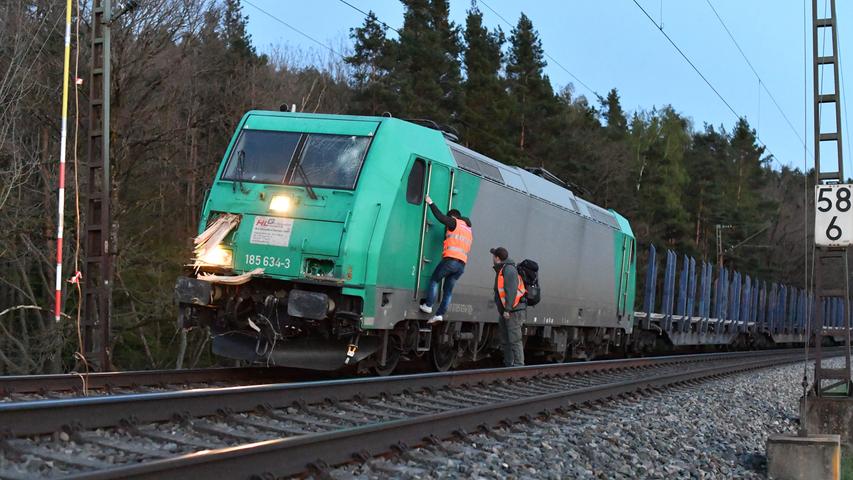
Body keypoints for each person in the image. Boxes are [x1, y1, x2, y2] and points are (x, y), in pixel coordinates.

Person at [419, 195, 473, 324]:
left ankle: (428, 305)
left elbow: (440, 217)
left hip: (451, 261)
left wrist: (430, 202)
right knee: (448, 290)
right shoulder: (468, 229)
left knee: (434, 280)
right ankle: (439, 314)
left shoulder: (454, 222)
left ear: (453, 217)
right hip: (461, 266)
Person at [491, 247, 526, 367]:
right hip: (507, 311)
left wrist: (507, 309)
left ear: (497, 258)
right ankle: (508, 365)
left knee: (514, 340)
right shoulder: (502, 270)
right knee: (506, 340)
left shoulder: (509, 270)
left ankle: (518, 366)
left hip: (512, 311)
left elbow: (510, 291)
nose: (492, 259)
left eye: (493, 256)